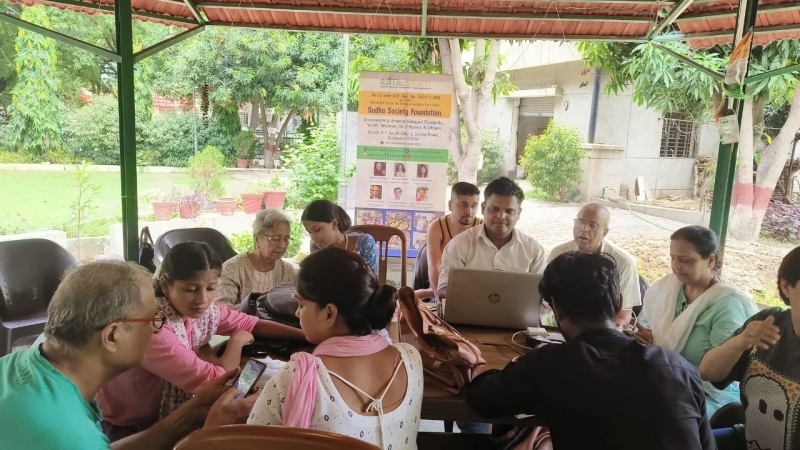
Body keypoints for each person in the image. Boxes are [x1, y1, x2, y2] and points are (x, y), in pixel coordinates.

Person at [465, 252, 715, 450]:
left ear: (555, 309)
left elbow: (481, 398)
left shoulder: (550, 365)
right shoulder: (678, 368)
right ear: (618, 303)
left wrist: (488, 364)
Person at [0, 261, 256, 449]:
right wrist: (209, 436)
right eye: (152, 319)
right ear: (112, 336)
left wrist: (191, 413)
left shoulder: (19, 364)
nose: (158, 327)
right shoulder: (66, 433)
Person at [98, 242, 305, 440]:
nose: (202, 300)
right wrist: (236, 341)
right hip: (131, 429)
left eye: (211, 288)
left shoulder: (203, 312)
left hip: (164, 415)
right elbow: (217, 383)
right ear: (166, 285)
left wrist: (307, 335)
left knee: (248, 391)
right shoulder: (155, 327)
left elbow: (251, 323)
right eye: (191, 289)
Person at [248, 248, 423, 449]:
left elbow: (251, 443)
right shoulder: (410, 359)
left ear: (329, 313)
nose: (297, 313)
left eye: (301, 305)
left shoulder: (298, 377)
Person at [635, 226, 757, 416]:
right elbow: (652, 326)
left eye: (685, 260)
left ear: (710, 260)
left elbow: (720, 373)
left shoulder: (727, 304)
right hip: (664, 378)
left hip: (705, 393)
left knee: (653, 415)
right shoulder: (669, 288)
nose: (676, 266)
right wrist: (649, 336)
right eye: (673, 258)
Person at [700, 245, 800, 450]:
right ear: (786, 287)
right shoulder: (769, 322)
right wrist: (740, 341)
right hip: (749, 440)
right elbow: (707, 371)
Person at [438, 177, 546, 299]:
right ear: (483, 208)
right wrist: (483, 298)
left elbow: (543, 295)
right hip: (468, 312)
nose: (501, 216)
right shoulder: (458, 245)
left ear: (519, 213)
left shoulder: (533, 251)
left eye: (509, 211)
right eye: (494, 209)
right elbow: (443, 290)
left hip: (517, 313)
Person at [548, 203, 641, 328]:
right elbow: (545, 301)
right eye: (580, 222)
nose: (584, 229)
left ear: (605, 232)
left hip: (602, 332)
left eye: (592, 225)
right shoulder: (558, 254)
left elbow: (623, 317)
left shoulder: (623, 263)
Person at [215, 209, 297, 308]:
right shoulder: (232, 268)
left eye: (286, 239)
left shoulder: (287, 271)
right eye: (276, 238)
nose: (283, 245)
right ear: (257, 239)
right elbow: (221, 308)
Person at [414, 182, 482, 300]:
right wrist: (439, 298)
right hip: (443, 284)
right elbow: (434, 266)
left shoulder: (482, 227)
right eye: (463, 205)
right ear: (450, 205)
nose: (469, 211)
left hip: (473, 287)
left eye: (474, 206)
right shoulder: (437, 227)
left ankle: (428, 292)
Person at [302, 199, 380, 275]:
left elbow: (372, 281)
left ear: (334, 223)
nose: (313, 237)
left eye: (317, 229)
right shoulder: (315, 247)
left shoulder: (364, 243)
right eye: (309, 232)